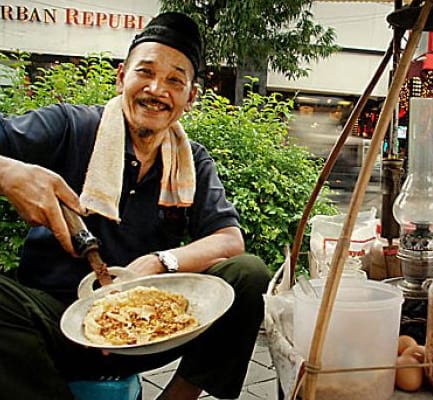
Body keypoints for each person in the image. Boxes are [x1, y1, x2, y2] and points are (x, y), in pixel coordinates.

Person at [0, 11, 270, 400]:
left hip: (146, 330)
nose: (157, 89)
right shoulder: (69, 127)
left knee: (249, 274)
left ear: (190, 97)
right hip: (54, 321)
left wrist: (160, 262)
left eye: (175, 80)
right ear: (121, 76)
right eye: (145, 72)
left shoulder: (192, 160)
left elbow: (229, 240)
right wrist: (8, 172)